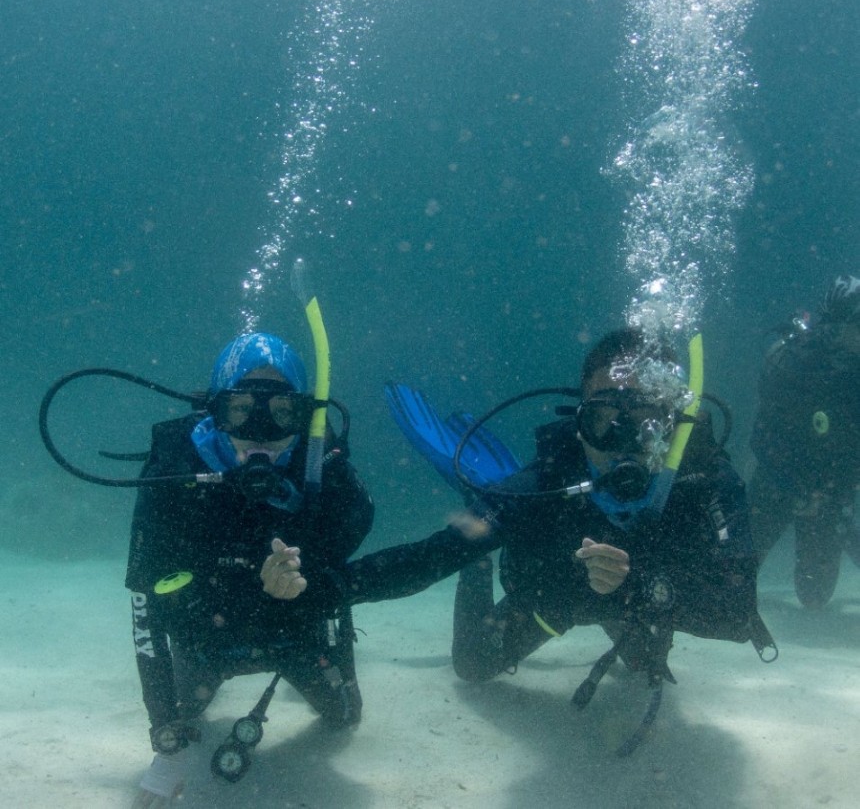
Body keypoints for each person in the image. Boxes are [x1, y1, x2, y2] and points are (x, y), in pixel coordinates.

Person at [330, 327, 773, 751]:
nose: (622, 444)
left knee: (643, 667)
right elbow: (434, 555)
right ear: (580, 424)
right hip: (560, 598)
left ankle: (622, 613)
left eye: (644, 422)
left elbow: (736, 614)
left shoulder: (706, 478)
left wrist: (634, 584)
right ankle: (481, 529)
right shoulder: (552, 476)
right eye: (604, 420)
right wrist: (330, 586)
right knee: (472, 666)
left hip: (643, 601)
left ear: (672, 423)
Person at [126, 332, 373, 807]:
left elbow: (349, 551)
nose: (260, 430)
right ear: (216, 410)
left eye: (281, 411)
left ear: (304, 414)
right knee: (181, 715)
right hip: (207, 644)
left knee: (344, 717)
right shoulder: (174, 469)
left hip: (296, 637)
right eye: (240, 409)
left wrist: (312, 580)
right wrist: (164, 735)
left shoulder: (322, 469)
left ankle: (336, 649)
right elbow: (144, 605)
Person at [749, 275, 860, 609]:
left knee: (814, 596)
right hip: (778, 484)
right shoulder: (790, 362)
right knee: (732, 571)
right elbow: (763, 437)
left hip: (834, 493)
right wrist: (798, 488)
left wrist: (837, 491)